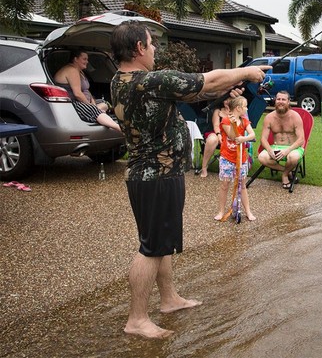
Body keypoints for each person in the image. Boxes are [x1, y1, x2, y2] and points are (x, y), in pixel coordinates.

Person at [109, 20, 269, 339]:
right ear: (139, 48)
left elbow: (205, 89)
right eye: (151, 44)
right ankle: (137, 319)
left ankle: (168, 299)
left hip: (152, 173)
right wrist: (246, 72)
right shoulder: (151, 81)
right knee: (151, 248)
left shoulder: (119, 80)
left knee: (161, 243)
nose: (155, 49)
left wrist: (225, 87)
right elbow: (207, 82)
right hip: (155, 176)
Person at [54, 49, 121, 132]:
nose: (87, 62)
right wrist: (91, 106)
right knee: (94, 110)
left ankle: (99, 114)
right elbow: (78, 94)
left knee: (104, 103)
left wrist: (92, 101)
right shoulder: (71, 70)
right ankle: (118, 128)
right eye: (84, 59)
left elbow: (86, 90)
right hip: (75, 104)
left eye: (87, 59)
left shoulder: (80, 71)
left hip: (85, 101)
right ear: (75, 59)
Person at [215, 96, 256, 221]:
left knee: (242, 186)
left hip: (241, 158)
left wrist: (244, 138)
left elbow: (252, 134)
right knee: (225, 185)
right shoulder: (226, 121)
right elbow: (232, 136)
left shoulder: (244, 121)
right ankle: (221, 211)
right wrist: (233, 124)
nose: (246, 109)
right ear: (238, 108)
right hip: (228, 158)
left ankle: (248, 211)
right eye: (245, 106)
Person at [257, 90, 305, 189]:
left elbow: (301, 139)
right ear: (275, 101)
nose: (280, 101)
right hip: (276, 147)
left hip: (292, 148)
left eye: (284, 99)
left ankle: (284, 175)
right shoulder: (269, 117)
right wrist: (269, 150)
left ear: (288, 101)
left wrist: (287, 150)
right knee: (262, 157)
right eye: (278, 99)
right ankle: (288, 172)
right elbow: (263, 139)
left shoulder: (295, 117)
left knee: (293, 157)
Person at [197, 107, 224, 178]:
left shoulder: (237, 111)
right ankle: (204, 167)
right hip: (215, 132)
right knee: (212, 139)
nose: (227, 102)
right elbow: (216, 125)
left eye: (229, 100)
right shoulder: (218, 111)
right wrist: (219, 135)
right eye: (225, 100)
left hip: (231, 135)